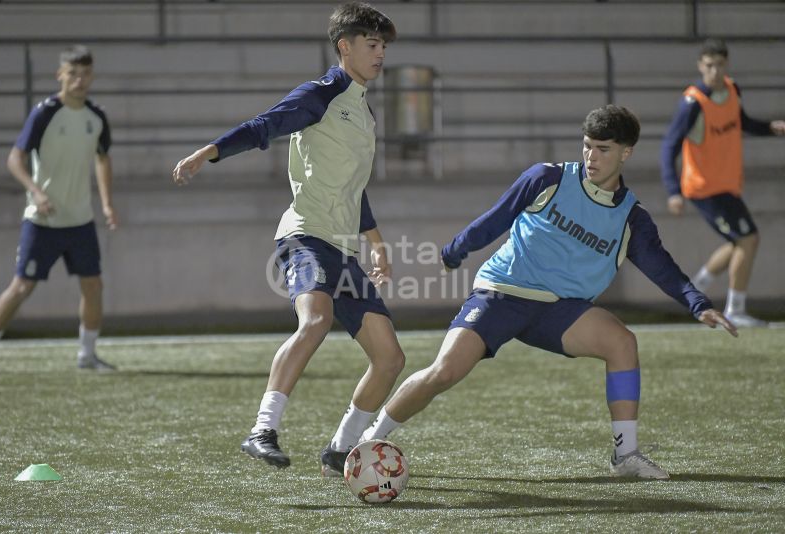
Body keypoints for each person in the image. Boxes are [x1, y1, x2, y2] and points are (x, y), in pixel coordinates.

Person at [361, 105, 738, 480]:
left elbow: (661, 268)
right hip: (502, 293)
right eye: (587, 146)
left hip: (559, 309)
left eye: (604, 149)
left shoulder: (630, 218)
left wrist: (697, 304)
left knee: (622, 342)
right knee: (444, 372)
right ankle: (369, 442)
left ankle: (626, 455)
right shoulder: (548, 178)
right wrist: (454, 251)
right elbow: (497, 217)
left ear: (626, 152)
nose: (592, 156)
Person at [172, 2, 404, 475]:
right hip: (305, 237)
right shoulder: (321, 94)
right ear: (345, 47)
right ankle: (263, 429)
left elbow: (354, 190)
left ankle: (340, 450)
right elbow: (266, 125)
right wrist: (210, 152)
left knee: (390, 358)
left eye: (384, 46)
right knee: (315, 320)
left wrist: (376, 243)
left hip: (344, 249)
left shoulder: (362, 111)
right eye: (372, 45)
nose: (381, 54)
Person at [0, 45, 117, 374]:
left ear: (92, 76)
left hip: (80, 221)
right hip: (42, 220)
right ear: (60, 75)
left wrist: (106, 203)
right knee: (22, 287)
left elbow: (102, 158)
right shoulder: (44, 113)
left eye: (85, 74)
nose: (79, 80)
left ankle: (87, 356)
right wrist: (35, 192)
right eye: (72, 73)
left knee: (93, 286)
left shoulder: (96, 117)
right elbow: (15, 158)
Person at [660, 38, 785, 327]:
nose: (714, 71)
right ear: (700, 66)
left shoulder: (732, 89)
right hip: (704, 188)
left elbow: (742, 122)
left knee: (737, 242)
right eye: (708, 65)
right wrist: (673, 191)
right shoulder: (693, 103)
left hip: (727, 185)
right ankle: (735, 309)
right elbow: (669, 146)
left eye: (719, 65)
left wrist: (770, 128)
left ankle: (695, 286)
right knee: (748, 239)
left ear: (726, 65)